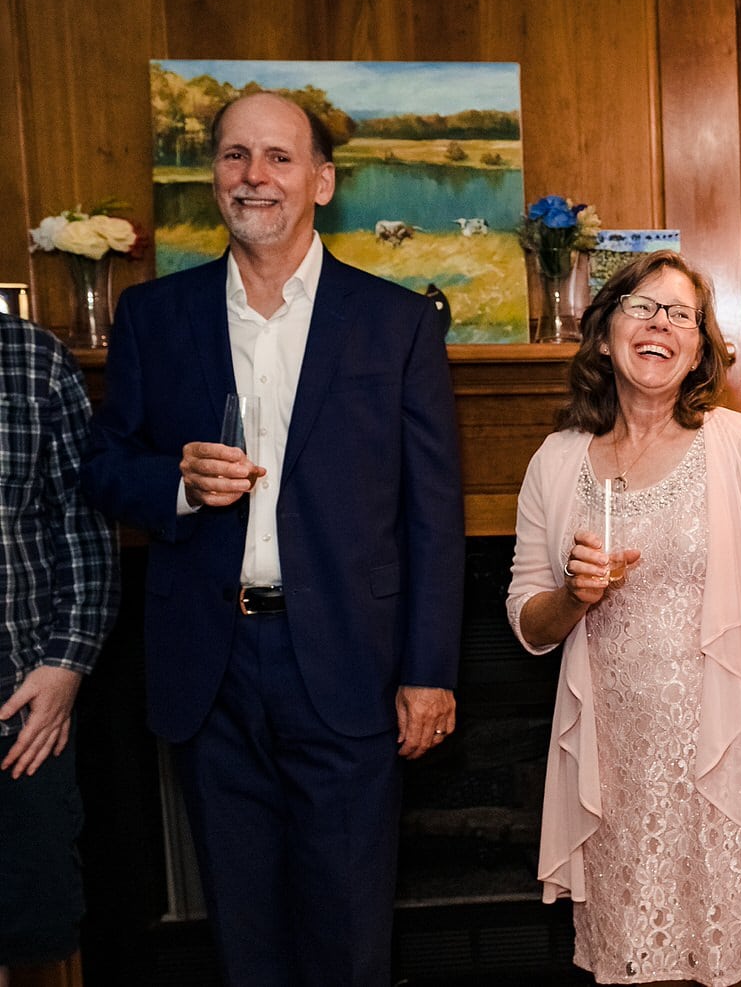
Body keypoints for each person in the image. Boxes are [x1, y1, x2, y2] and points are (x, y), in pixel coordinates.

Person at [82, 91, 464, 987]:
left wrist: (430, 669)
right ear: (213, 175)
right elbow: (104, 467)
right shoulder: (153, 317)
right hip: (207, 669)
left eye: (279, 158)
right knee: (245, 940)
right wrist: (177, 484)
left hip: (349, 665)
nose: (255, 176)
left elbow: (432, 514)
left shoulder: (397, 323)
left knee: (349, 938)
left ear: (322, 182)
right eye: (235, 156)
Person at [506, 250, 741, 987]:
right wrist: (574, 595)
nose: (660, 324)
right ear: (604, 334)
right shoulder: (555, 462)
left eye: (680, 314)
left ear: (700, 348)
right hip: (612, 770)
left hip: (727, 758)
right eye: (641, 307)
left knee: (731, 968)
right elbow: (528, 620)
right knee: (633, 969)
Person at [0, 313, 117, 987]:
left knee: (34, 934)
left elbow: (83, 527)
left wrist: (65, 666)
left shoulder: (34, 359)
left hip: (21, 705)